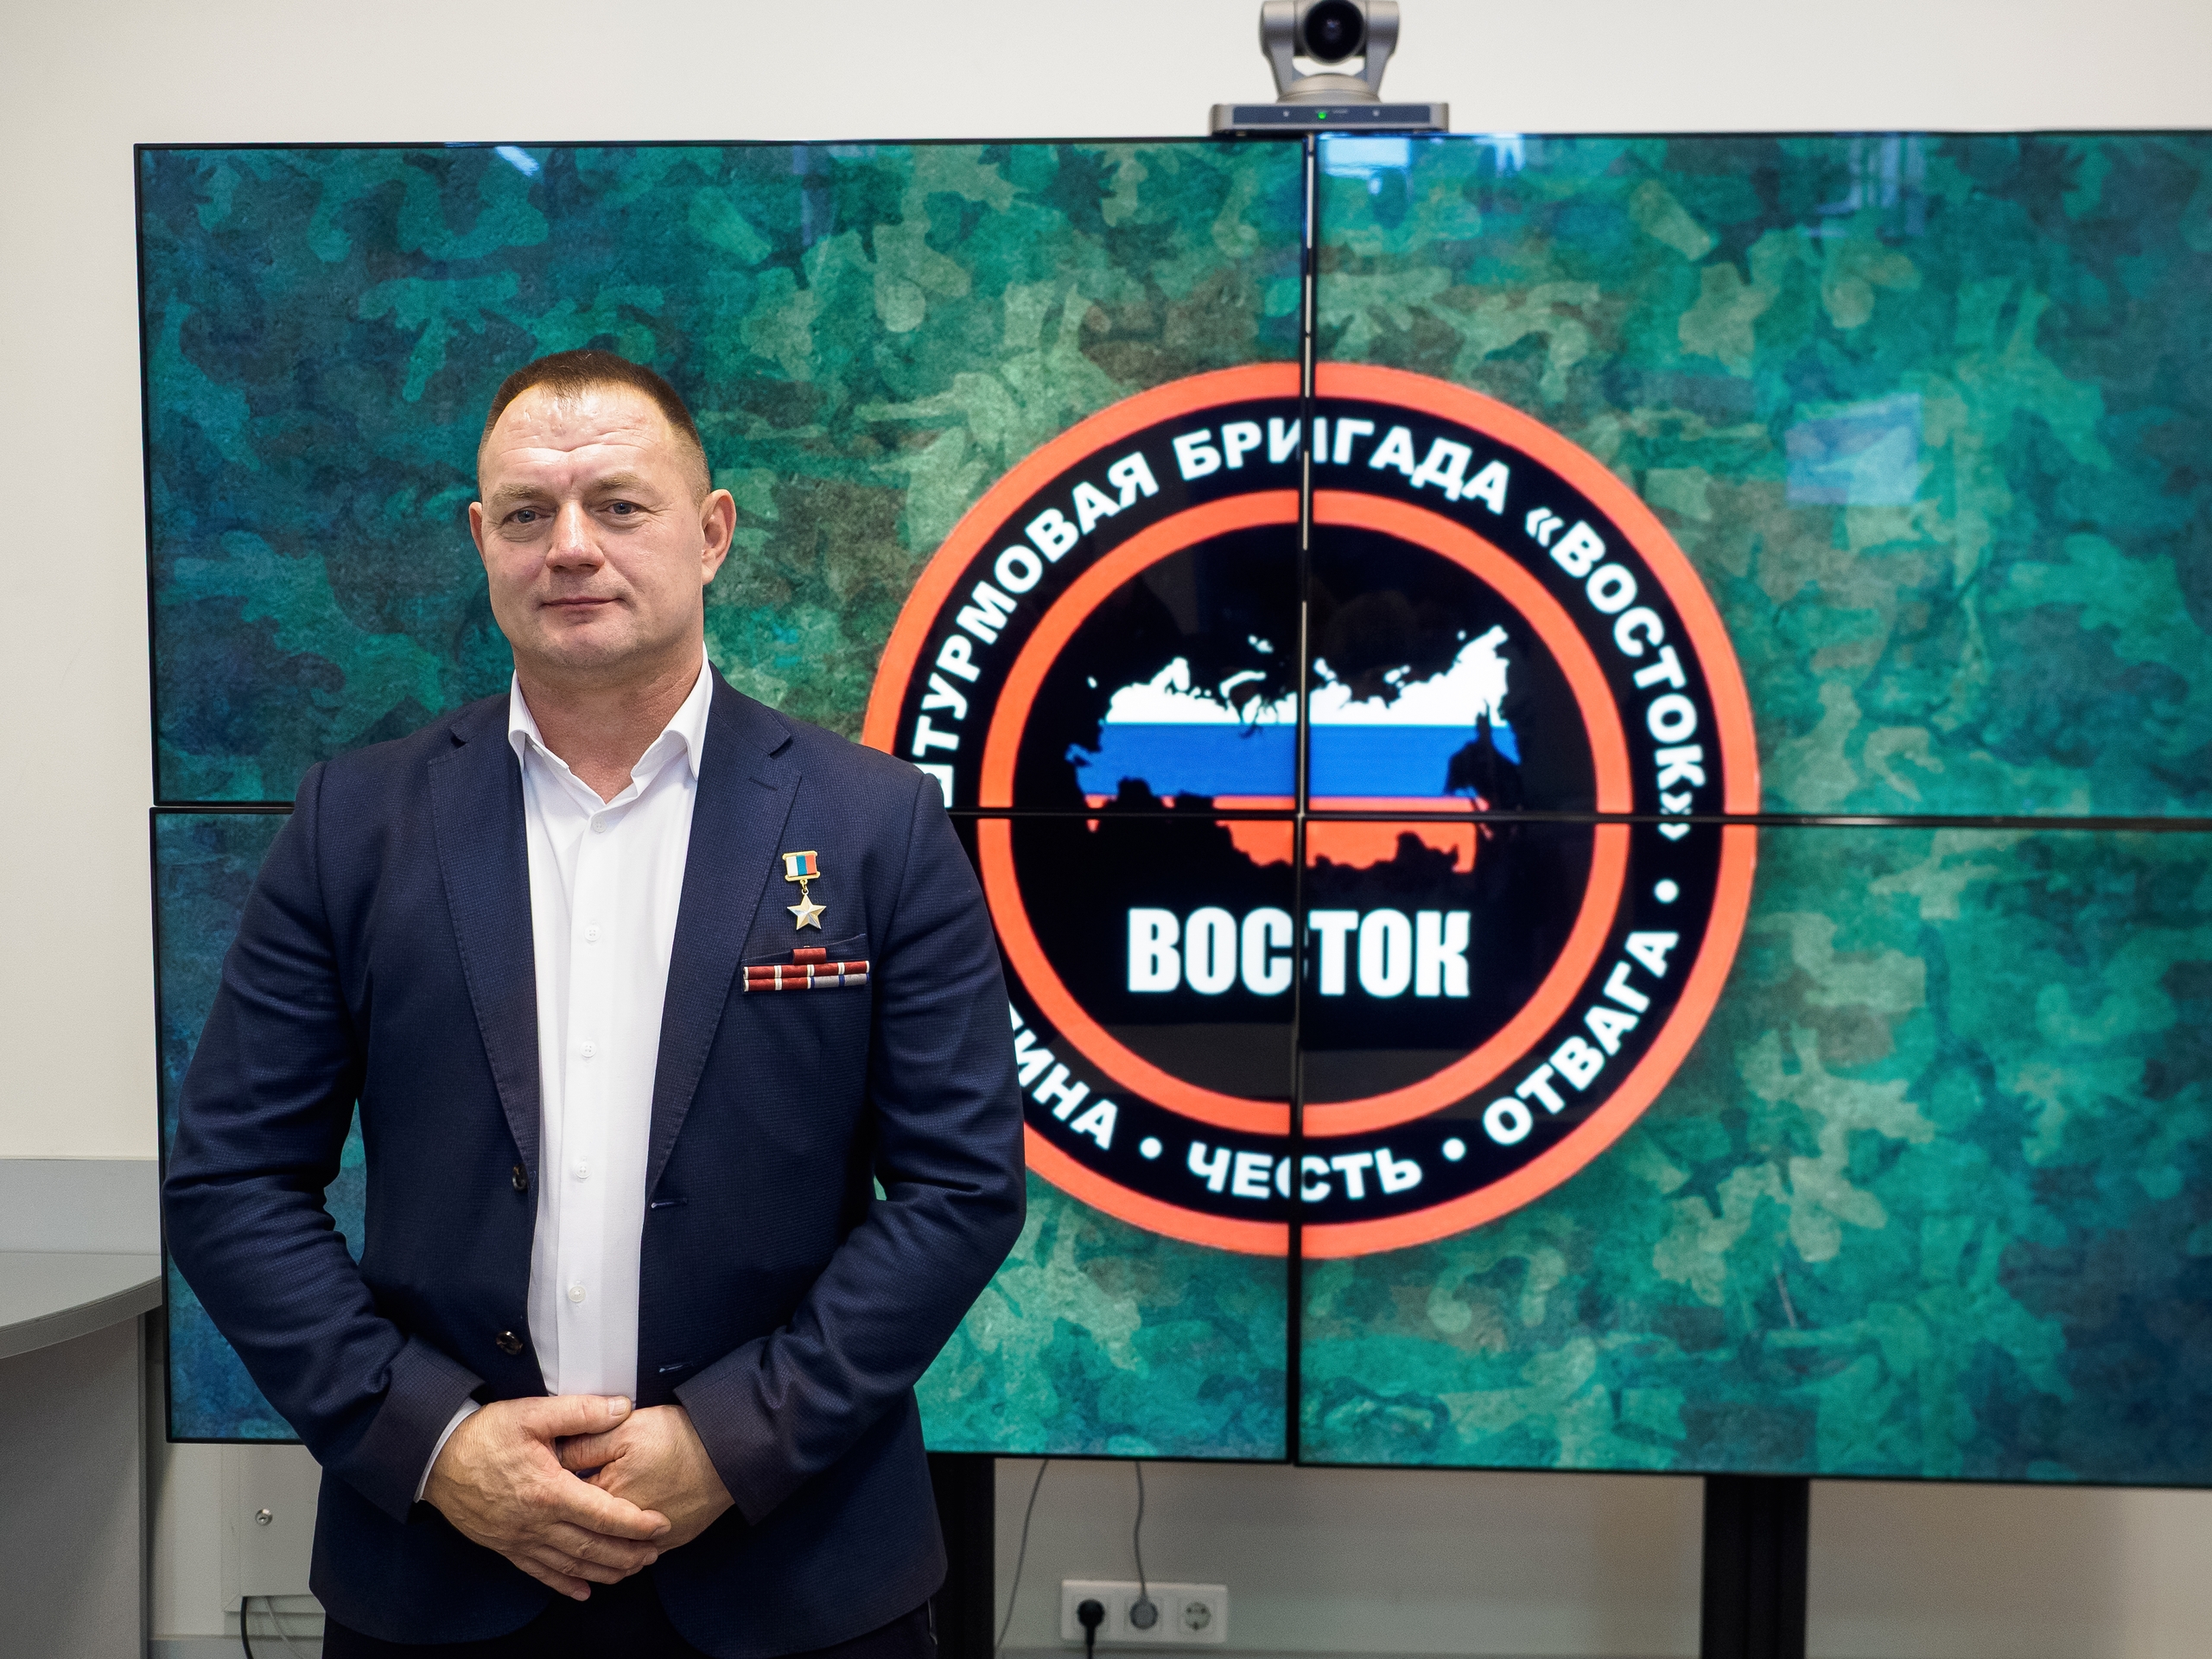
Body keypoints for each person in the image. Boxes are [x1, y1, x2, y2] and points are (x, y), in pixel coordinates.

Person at [164, 349, 1027, 1656]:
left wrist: (734, 1441)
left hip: (797, 1572)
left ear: (711, 532)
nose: (571, 546)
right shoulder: (356, 823)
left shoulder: (876, 823)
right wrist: (433, 1440)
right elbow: (231, 1182)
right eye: (528, 512)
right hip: (443, 1571)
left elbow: (961, 1187)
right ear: (482, 541)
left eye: (619, 505)